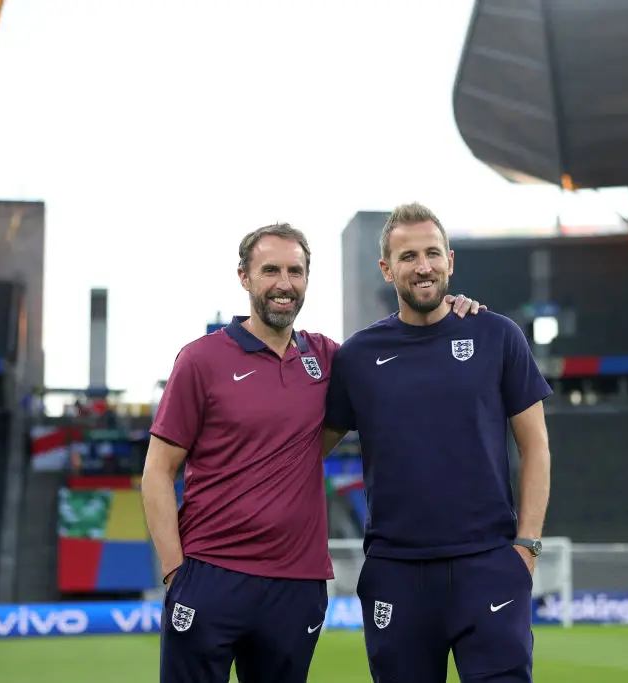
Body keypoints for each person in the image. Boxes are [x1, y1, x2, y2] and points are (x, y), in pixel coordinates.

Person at [141, 221, 484, 683]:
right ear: (244, 277)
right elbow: (157, 472)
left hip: (297, 584)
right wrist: (173, 573)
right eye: (271, 271)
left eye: (295, 271)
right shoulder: (201, 360)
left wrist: (449, 311)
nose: (284, 284)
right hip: (210, 575)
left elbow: (403, 355)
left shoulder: (327, 359)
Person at [321, 202, 552, 683]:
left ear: (450, 260)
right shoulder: (359, 355)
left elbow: (536, 448)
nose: (422, 266)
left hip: (488, 563)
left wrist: (526, 547)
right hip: (395, 571)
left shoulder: (497, 335)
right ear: (387, 269)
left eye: (431, 253)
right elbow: (308, 451)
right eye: (408, 257)